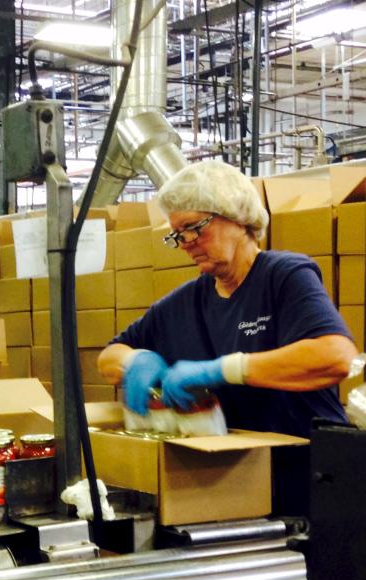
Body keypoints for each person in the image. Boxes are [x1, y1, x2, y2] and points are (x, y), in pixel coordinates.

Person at [98, 159, 357, 439]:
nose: (185, 243)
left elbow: (336, 357)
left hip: (306, 466)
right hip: (234, 469)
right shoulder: (184, 302)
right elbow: (110, 356)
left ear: (237, 217)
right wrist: (136, 360)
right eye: (177, 235)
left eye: (193, 227)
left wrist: (226, 370)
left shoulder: (283, 275)